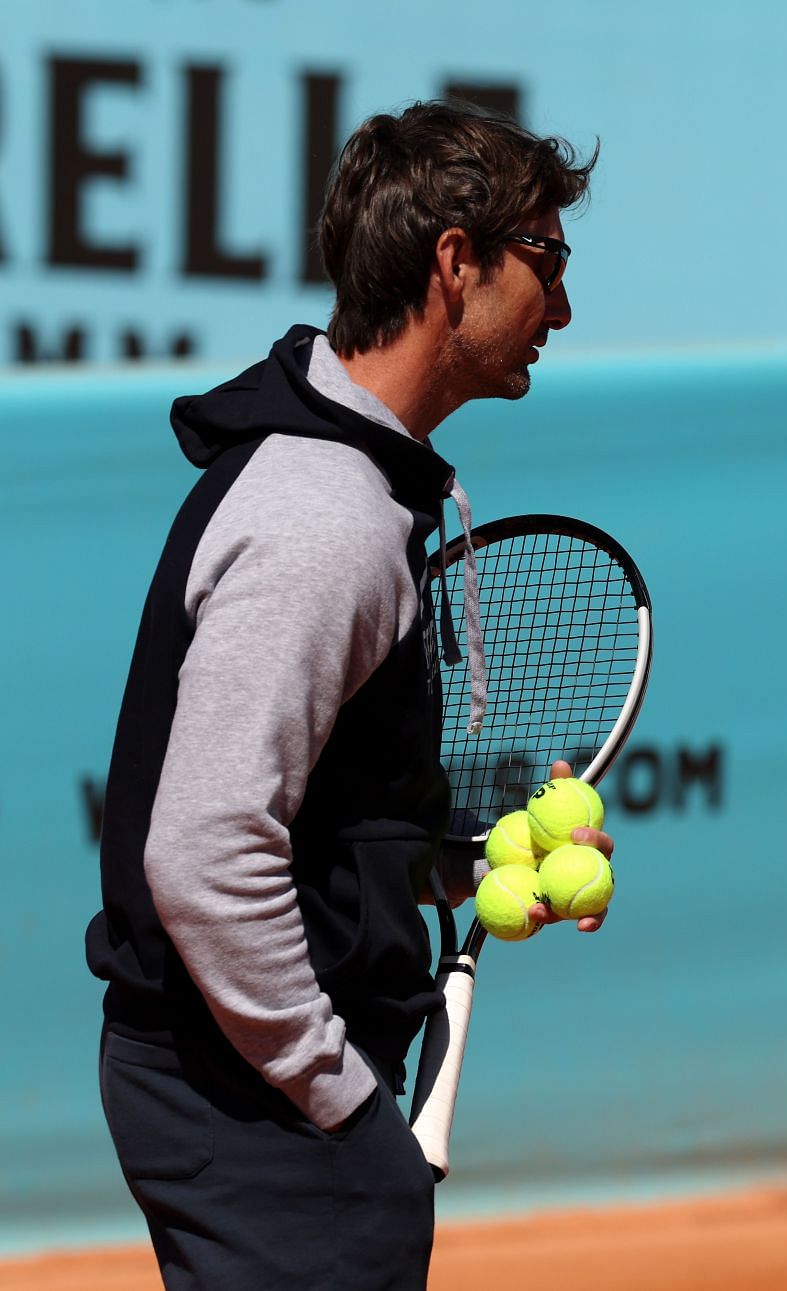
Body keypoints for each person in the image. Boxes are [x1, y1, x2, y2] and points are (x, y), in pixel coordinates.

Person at [85, 100, 603, 1289]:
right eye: (547, 260)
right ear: (456, 261)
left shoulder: (346, 488)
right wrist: (338, 1093)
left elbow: (319, 815)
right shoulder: (324, 518)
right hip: (259, 1104)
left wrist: (463, 865)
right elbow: (208, 852)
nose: (561, 309)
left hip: (242, 1092)